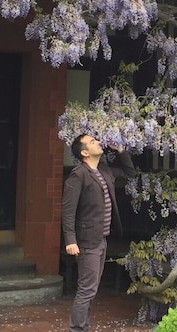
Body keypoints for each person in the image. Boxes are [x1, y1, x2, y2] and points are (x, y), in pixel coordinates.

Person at [61, 132, 135, 332]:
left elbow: (129, 173)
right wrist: (70, 240)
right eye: (93, 142)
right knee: (87, 289)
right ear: (84, 152)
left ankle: (82, 327)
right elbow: (68, 211)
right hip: (87, 241)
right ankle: (77, 329)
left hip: (102, 239)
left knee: (91, 290)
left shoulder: (104, 170)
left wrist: (120, 150)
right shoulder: (78, 175)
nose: (98, 143)